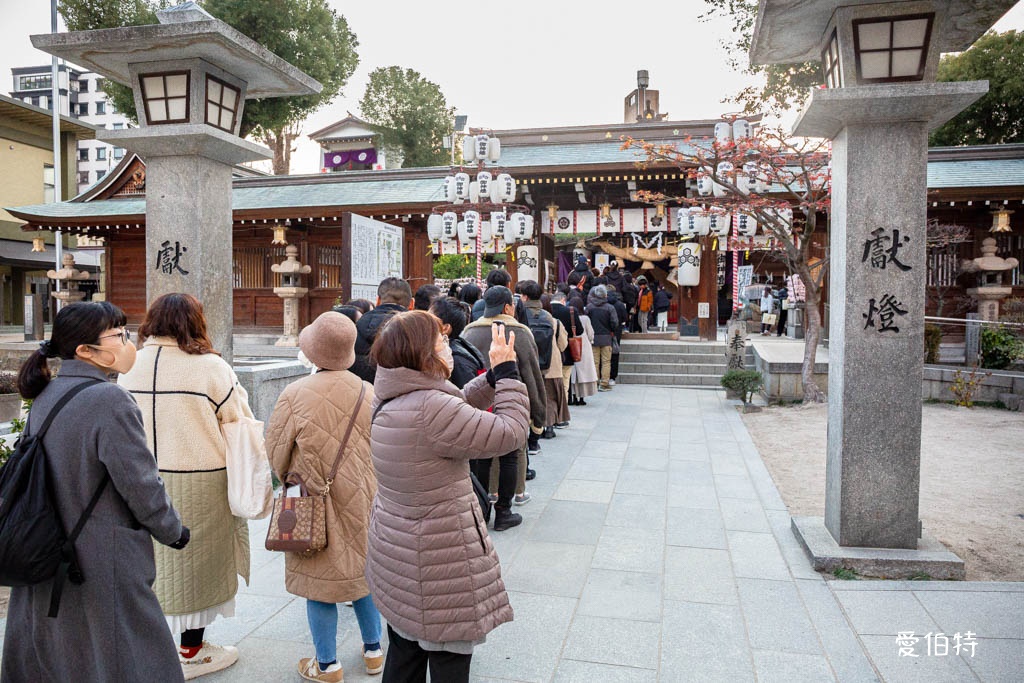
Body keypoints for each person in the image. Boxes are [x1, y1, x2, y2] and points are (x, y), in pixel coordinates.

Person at [3, 301, 189, 683]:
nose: (127, 342)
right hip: (102, 556)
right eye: (118, 335)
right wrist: (173, 531)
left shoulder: (47, 393)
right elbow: (140, 484)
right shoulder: (110, 399)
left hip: (50, 546)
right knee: (127, 655)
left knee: (69, 653)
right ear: (85, 350)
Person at [365, 311, 529, 682]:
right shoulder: (430, 408)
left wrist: (490, 380)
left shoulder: (392, 394)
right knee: (448, 662)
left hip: (398, 554)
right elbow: (510, 432)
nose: (447, 346)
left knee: (404, 654)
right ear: (421, 354)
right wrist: (508, 376)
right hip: (441, 562)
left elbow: (455, 408)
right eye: (440, 341)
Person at [117, 293, 256, 680]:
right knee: (199, 567)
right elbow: (239, 420)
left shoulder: (131, 365)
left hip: (141, 478)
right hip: (202, 479)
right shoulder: (210, 367)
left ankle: (153, 647)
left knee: (152, 565)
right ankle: (191, 651)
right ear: (196, 322)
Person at [265, 312, 383, 682]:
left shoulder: (295, 394)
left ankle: (327, 665)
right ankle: (374, 652)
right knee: (363, 573)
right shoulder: (369, 392)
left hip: (313, 499)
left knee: (319, 582)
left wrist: (293, 477)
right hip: (364, 496)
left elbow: (276, 451)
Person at [461, 286, 546, 529]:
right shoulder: (519, 331)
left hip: (479, 401)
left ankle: (482, 506)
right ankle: (504, 511)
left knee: (482, 456)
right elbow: (532, 373)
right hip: (511, 399)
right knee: (510, 455)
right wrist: (539, 413)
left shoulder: (470, 330)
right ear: (508, 307)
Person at [521, 281, 567, 441]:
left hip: (526, 364)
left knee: (529, 396)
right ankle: (549, 427)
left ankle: (532, 430)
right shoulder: (551, 319)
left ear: (524, 296)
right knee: (550, 397)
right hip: (550, 365)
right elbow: (563, 344)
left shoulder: (519, 317)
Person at [352, 278, 414, 383]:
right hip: (404, 390)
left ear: (378, 301)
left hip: (362, 388)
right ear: (411, 304)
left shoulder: (359, 324)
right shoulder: (416, 329)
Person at [549, 287, 578, 422]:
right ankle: (561, 416)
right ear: (563, 300)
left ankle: (551, 415)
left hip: (548, 354)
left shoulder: (546, 312)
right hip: (566, 353)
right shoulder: (570, 311)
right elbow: (579, 330)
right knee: (564, 384)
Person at [585, 284, 618, 392]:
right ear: (605, 295)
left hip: (594, 338)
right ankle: (604, 384)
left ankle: (595, 382)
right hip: (606, 337)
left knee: (595, 362)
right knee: (606, 362)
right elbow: (614, 323)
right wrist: (611, 330)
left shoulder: (589, 307)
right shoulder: (610, 308)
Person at [607, 286, 628, 385]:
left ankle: (603, 376)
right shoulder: (620, 304)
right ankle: (612, 377)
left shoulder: (603, 304)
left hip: (605, 331)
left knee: (604, 355)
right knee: (615, 353)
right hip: (616, 331)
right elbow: (625, 318)